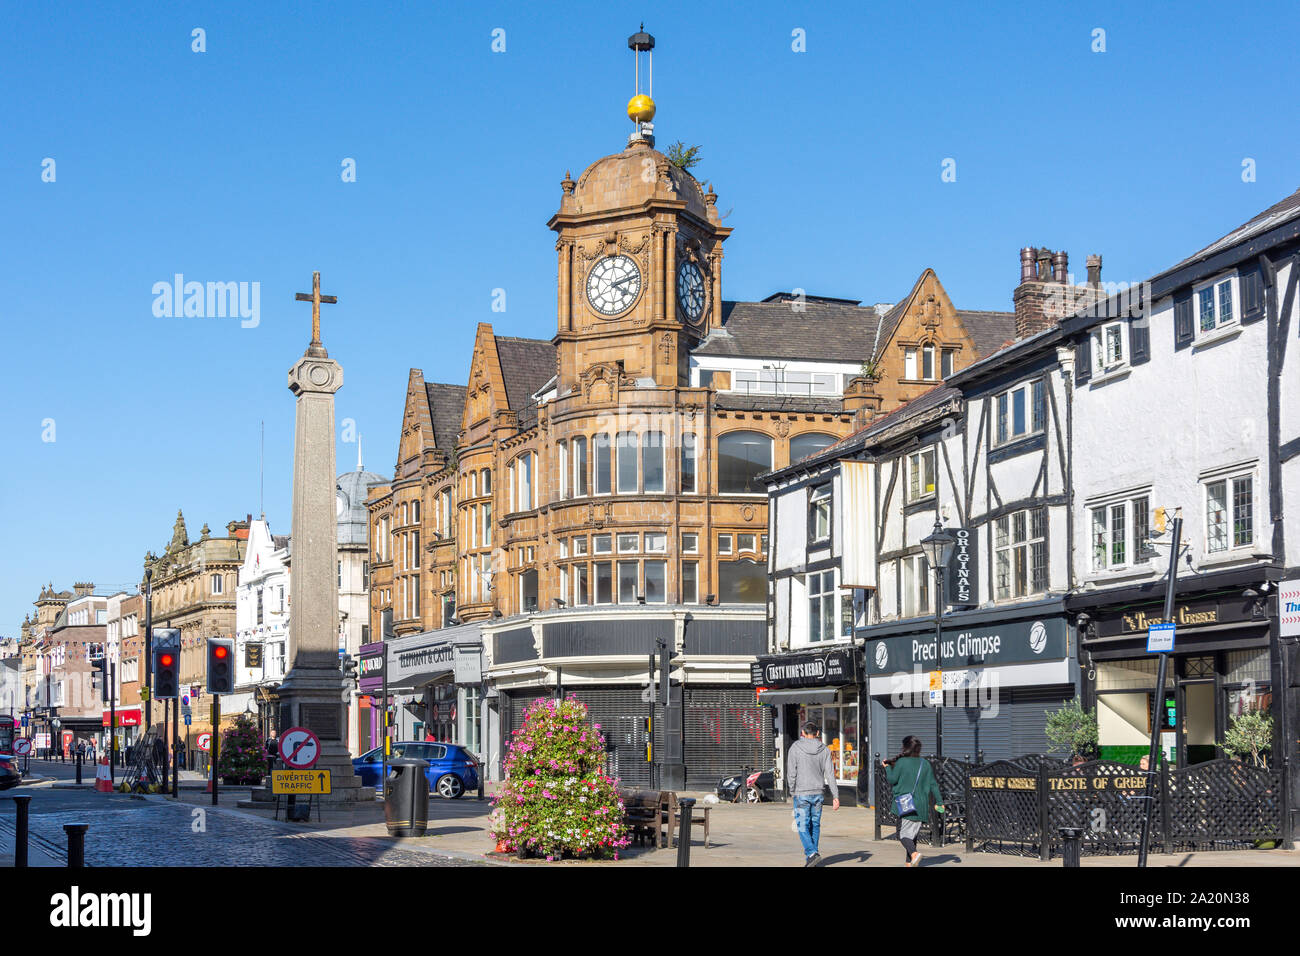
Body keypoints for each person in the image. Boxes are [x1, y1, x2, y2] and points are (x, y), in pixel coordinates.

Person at [884, 736, 944, 867]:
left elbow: (892, 779)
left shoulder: (902, 762)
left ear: (905, 747)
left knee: (902, 835)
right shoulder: (925, 763)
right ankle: (909, 863)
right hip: (921, 805)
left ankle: (914, 854)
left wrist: (887, 767)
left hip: (907, 804)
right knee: (912, 835)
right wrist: (939, 802)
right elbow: (933, 784)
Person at [786, 721, 839, 867]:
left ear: (802, 733)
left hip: (801, 793)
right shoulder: (825, 750)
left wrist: (792, 790)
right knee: (814, 824)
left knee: (802, 825)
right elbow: (830, 774)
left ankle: (811, 853)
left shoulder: (795, 748)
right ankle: (812, 860)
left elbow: (791, 772)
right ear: (817, 734)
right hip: (818, 793)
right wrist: (835, 796)